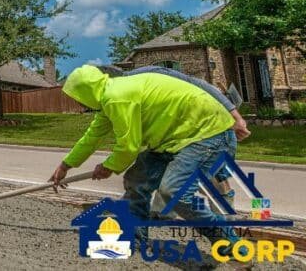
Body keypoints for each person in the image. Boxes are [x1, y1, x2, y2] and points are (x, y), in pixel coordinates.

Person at [48, 65, 242, 251]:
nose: (78, 102)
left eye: (77, 97)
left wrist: (109, 166)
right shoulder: (110, 97)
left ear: (85, 91)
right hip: (175, 140)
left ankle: (231, 244)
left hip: (209, 134)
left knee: (174, 193)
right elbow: (92, 137)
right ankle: (136, 237)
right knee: (137, 179)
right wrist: (66, 165)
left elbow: (128, 146)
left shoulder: (117, 97)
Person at [99, 65, 248, 212]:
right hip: (170, 138)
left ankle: (226, 222)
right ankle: (148, 212)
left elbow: (198, 84)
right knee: (148, 173)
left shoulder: (149, 74)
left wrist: (235, 116)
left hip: (200, 130)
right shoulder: (122, 99)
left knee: (210, 179)